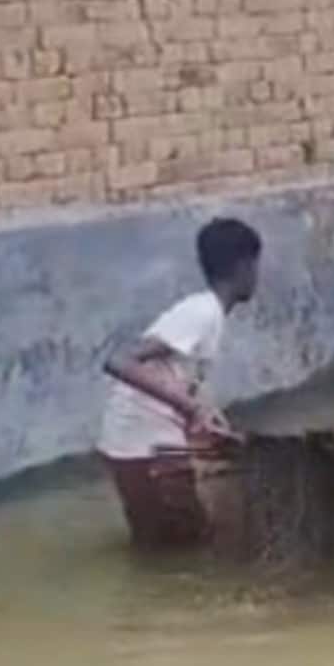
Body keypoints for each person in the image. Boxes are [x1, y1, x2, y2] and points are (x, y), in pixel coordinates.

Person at [98, 217, 261, 548]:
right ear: (244, 266)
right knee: (187, 549)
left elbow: (179, 377)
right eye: (256, 265)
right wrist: (189, 407)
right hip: (142, 445)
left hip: (136, 443)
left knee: (163, 548)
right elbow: (119, 361)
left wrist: (209, 417)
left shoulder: (207, 314)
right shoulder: (201, 312)